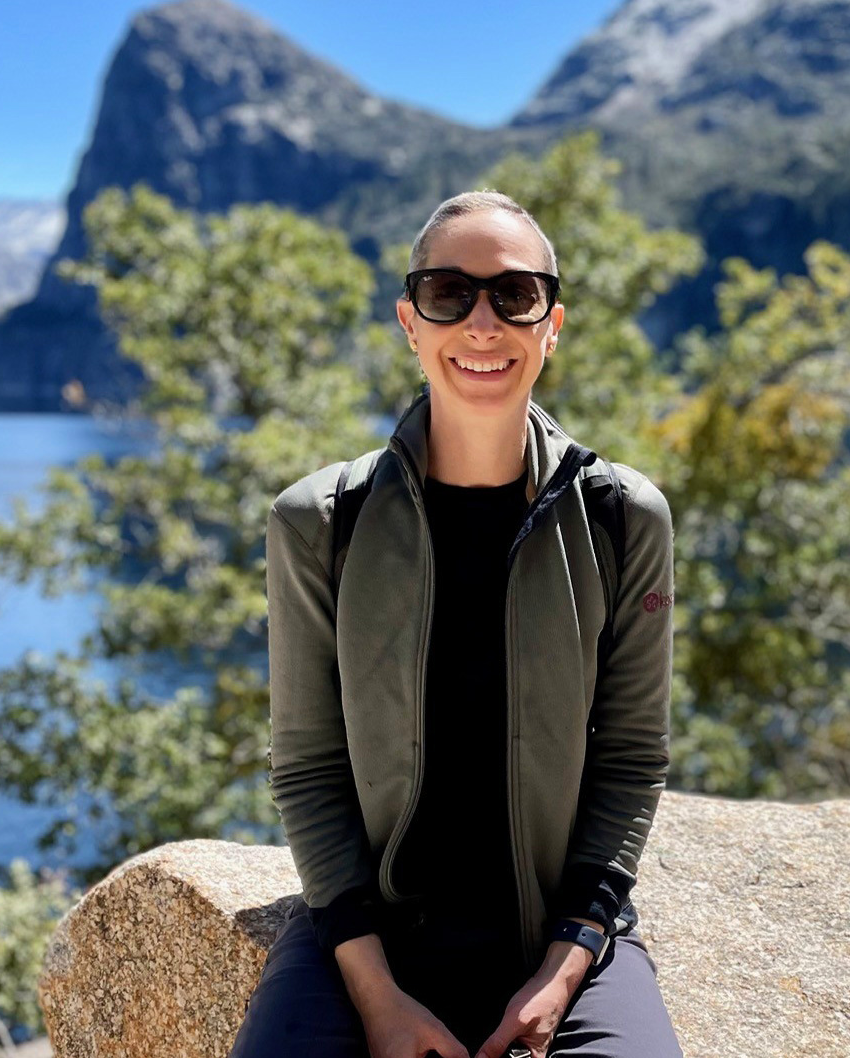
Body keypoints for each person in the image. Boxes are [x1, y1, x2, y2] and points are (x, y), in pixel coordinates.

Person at [229, 190, 683, 1058]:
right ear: (410, 321)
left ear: (553, 325)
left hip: (560, 934)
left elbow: (630, 757)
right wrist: (376, 997)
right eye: (449, 293)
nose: (482, 323)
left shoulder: (624, 518)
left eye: (514, 296)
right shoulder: (321, 522)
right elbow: (310, 768)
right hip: (367, 939)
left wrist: (564, 967)